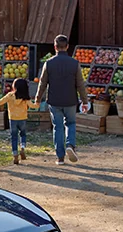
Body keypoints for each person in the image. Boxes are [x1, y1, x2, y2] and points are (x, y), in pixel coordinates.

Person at [35, 35, 87, 165]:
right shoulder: (74, 64)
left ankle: (60, 157)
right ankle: (70, 145)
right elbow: (80, 84)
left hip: (54, 100)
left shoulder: (49, 63)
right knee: (71, 124)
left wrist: (37, 98)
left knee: (57, 127)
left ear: (55, 47)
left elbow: (42, 83)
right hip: (70, 99)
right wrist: (85, 101)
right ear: (67, 46)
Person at [0, 78, 36, 165]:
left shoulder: (10, 95)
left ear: (15, 87)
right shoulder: (25, 98)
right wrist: (38, 103)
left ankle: (15, 154)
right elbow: (33, 106)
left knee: (14, 137)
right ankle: (22, 147)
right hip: (23, 119)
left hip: (13, 119)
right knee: (23, 134)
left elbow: (0, 102)